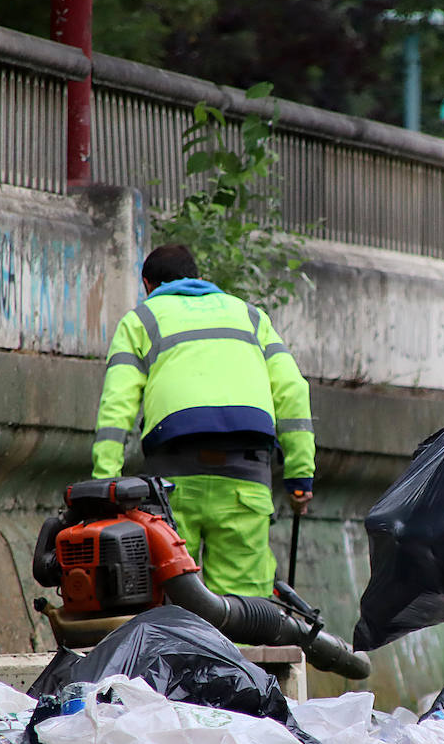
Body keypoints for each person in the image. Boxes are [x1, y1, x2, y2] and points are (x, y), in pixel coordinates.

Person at [91, 244, 314, 598]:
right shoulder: (250, 316)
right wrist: (299, 478)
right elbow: (293, 391)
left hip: (173, 479)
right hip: (246, 475)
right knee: (245, 608)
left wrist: (105, 485)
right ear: (197, 277)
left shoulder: (141, 320)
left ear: (148, 284)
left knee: (173, 597)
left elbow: (116, 406)